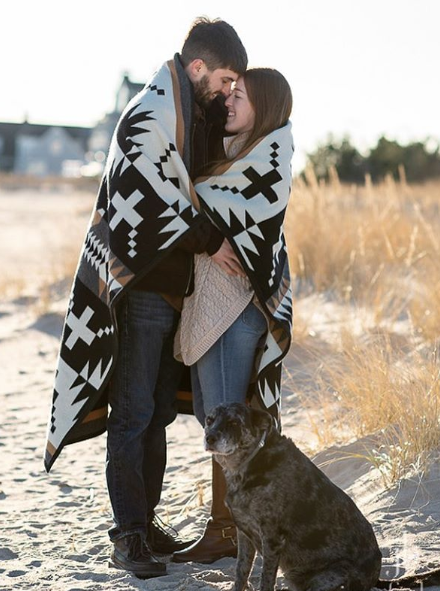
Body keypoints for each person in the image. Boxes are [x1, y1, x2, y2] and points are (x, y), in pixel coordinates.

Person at [43, 17, 247, 579]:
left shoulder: (186, 114)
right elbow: (151, 198)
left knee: (155, 411)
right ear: (198, 66)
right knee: (132, 412)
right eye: (226, 79)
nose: (229, 91)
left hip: (173, 288)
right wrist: (210, 239)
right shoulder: (149, 115)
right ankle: (128, 533)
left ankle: (145, 520)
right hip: (142, 288)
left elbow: (192, 182)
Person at [172, 68, 294, 564]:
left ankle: (227, 528)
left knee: (225, 426)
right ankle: (233, 526)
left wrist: (189, 193)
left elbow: (197, 202)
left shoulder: (267, 161)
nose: (228, 101)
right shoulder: (235, 155)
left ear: (260, 107)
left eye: (238, 95)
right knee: (213, 417)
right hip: (218, 309)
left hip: (236, 311)